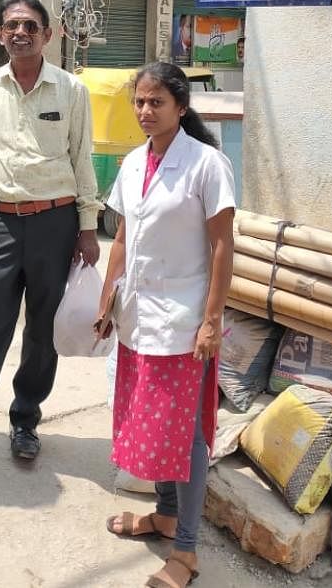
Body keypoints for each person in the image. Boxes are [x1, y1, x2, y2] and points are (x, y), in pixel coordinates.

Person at [96, 62, 235, 588]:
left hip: (183, 321)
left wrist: (211, 321)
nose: (145, 111)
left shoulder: (208, 164)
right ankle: (164, 513)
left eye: (156, 102)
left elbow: (223, 246)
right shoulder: (133, 164)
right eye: (139, 102)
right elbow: (123, 240)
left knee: (188, 437)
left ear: (181, 106)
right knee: (148, 424)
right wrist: (108, 303)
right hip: (137, 316)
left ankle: (188, 550)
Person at [0, 0, 102, 464]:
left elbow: (82, 157)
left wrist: (87, 226)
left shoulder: (70, 90)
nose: (21, 33)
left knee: (42, 330)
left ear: (48, 35)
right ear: (0, 34)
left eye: (31, 26)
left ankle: (25, 420)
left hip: (55, 224)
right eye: (12, 25)